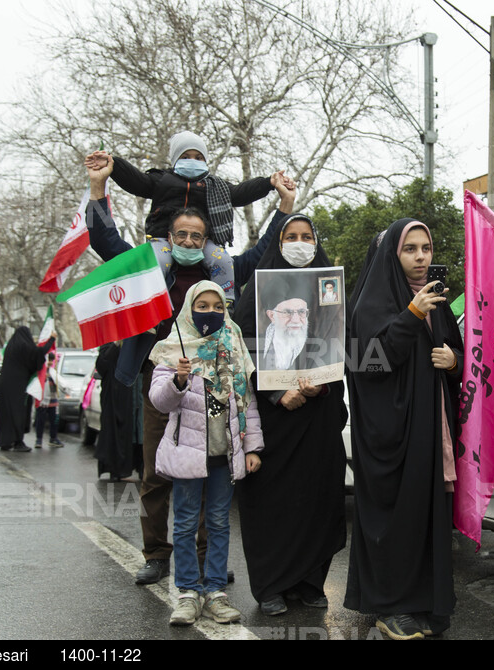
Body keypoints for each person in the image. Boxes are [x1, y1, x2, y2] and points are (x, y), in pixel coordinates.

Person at [85, 153, 295, 585]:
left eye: (196, 235)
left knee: (211, 463)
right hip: (163, 383)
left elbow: (261, 252)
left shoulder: (222, 269)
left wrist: (285, 206)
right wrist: (97, 188)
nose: (188, 240)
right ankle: (157, 554)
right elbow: (106, 241)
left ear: (206, 240)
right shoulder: (149, 265)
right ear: (169, 235)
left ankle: (205, 556)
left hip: (215, 388)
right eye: (181, 233)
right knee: (156, 470)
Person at [343, 219, 463, 640]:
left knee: (427, 517)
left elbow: (458, 353)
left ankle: (425, 603)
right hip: (390, 436)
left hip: (430, 431)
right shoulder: (371, 304)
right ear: (393, 254)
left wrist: (455, 361)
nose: (420, 258)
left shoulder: (437, 301)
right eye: (409, 249)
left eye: (426, 248)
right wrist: (411, 316)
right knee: (396, 519)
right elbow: (367, 364)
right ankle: (390, 606)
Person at [233, 214, 348, 616]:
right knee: (271, 501)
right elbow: (239, 351)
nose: (300, 243)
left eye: (307, 237)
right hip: (272, 423)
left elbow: (340, 345)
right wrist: (277, 393)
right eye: (291, 237)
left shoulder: (328, 293)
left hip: (317, 420)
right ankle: (271, 585)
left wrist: (325, 383)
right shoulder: (254, 298)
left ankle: (310, 581)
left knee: (318, 496)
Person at [148, 280, 263, 626]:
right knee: (184, 524)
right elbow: (160, 402)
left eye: (217, 306)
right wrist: (178, 381)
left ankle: (215, 591)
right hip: (188, 455)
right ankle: (187, 593)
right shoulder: (174, 348)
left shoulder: (233, 342)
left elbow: (248, 402)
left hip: (225, 455)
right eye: (202, 306)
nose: (210, 312)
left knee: (218, 523)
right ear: (188, 309)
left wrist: (253, 447)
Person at [85, 131, 276, 246]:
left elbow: (240, 193)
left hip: (206, 245)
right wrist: (114, 165)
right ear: (175, 159)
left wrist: (268, 182)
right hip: (160, 242)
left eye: (198, 157)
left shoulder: (215, 186)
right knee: (156, 267)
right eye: (185, 157)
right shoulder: (162, 180)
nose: (192, 161)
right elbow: (136, 181)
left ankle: (226, 299)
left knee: (223, 262)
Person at [0, 327, 56, 452]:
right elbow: (38, 354)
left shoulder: (11, 347)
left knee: (6, 415)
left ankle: (5, 441)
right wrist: (51, 340)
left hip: (6, 385)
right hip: (18, 387)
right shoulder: (24, 346)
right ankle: (18, 442)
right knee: (19, 413)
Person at [94, 342, 143, 481]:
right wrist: (115, 346)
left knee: (133, 431)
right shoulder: (108, 345)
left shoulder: (131, 344)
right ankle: (113, 469)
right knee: (111, 432)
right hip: (112, 398)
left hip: (130, 397)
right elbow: (102, 366)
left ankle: (134, 467)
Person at [34, 352, 65, 449]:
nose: (50, 362)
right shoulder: (40, 371)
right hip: (42, 401)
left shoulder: (53, 372)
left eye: (52, 360)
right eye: (49, 360)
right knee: (40, 421)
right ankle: (39, 439)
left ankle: (53, 438)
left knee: (54, 421)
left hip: (53, 400)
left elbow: (60, 384)